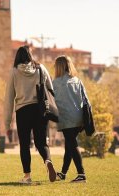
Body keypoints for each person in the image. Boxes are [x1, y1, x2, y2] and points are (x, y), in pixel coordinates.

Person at [4, 45, 56, 184]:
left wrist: (7, 122)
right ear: (30, 55)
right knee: (41, 142)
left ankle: (27, 176)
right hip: (40, 110)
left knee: (25, 144)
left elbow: (9, 97)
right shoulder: (41, 68)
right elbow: (50, 90)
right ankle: (47, 160)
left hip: (23, 111)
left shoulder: (14, 72)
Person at [52, 55, 87, 183]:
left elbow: (51, 101)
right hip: (79, 118)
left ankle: (81, 174)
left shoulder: (55, 83)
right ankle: (63, 173)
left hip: (66, 119)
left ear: (59, 67)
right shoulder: (77, 80)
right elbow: (86, 100)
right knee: (69, 145)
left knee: (72, 145)